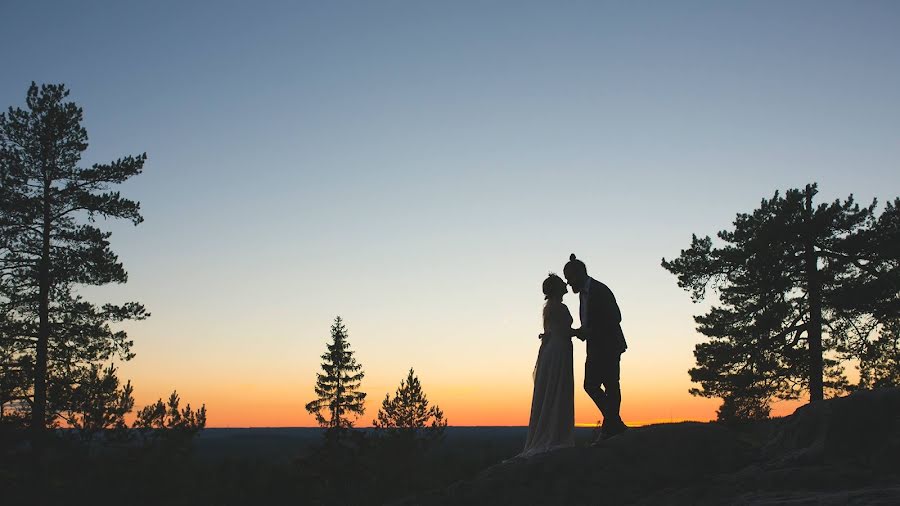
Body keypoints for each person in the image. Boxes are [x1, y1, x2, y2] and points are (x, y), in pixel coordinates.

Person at [564, 253, 628, 443]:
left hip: (608, 345)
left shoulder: (600, 290)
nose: (569, 284)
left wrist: (589, 331)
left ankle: (613, 426)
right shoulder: (586, 292)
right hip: (596, 345)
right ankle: (614, 426)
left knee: (605, 384)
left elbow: (615, 317)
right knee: (601, 385)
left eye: (570, 279)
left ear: (579, 274)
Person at [518, 274, 577, 457]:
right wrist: (584, 332)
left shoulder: (549, 307)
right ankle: (556, 434)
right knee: (559, 389)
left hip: (553, 350)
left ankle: (554, 431)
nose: (566, 284)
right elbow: (564, 330)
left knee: (552, 391)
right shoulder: (559, 307)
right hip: (559, 350)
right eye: (562, 283)